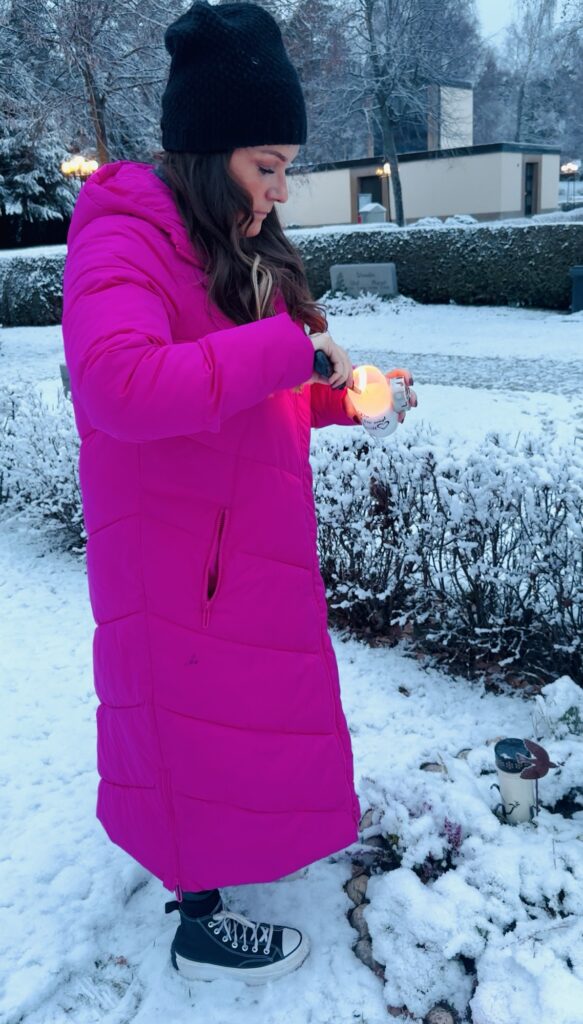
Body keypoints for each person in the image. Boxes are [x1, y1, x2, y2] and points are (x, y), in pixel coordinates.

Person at [61, 0, 416, 987]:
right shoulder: (125, 238)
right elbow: (119, 383)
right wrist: (286, 347)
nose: (279, 189)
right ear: (210, 150)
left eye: (285, 167)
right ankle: (197, 920)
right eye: (267, 165)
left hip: (239, 549)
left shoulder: (225, 244)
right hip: (176, 561)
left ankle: (240, 849)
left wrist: (352, 394)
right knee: (187, 733)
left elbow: (257, 386)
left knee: (244, 724)